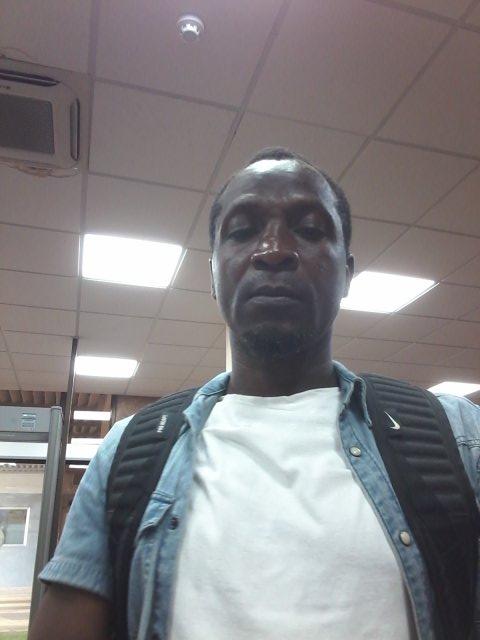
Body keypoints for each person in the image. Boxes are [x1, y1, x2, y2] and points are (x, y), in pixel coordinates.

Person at [29, 148, 480, 640]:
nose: (274, 250)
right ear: (212, 274)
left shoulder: (457, 437)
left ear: (348, 273)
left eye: (310, 229)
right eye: (243, 231)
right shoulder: (129, 452)